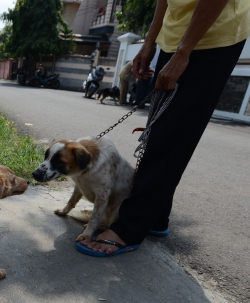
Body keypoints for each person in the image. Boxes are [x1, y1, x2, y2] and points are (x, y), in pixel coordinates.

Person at [78, 0, 250, 257]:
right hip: (173, 38)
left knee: (172, 137)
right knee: (158, 132)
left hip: (211, 38)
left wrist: (184, 52)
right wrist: (150, 42)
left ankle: (130, 227)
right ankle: (155, 216)